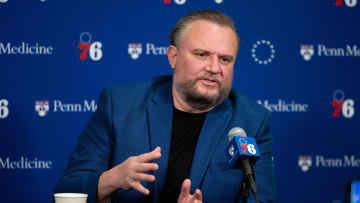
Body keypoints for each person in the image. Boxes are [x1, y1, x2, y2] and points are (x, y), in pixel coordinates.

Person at [54, 10, 277, 203]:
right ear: (173, 57)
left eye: (225, 59)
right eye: (202, 54)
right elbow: (67, 192)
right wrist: (113, 178)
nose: (214, 67)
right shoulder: (120, 105)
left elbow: (261, 199)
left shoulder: (252, 121)